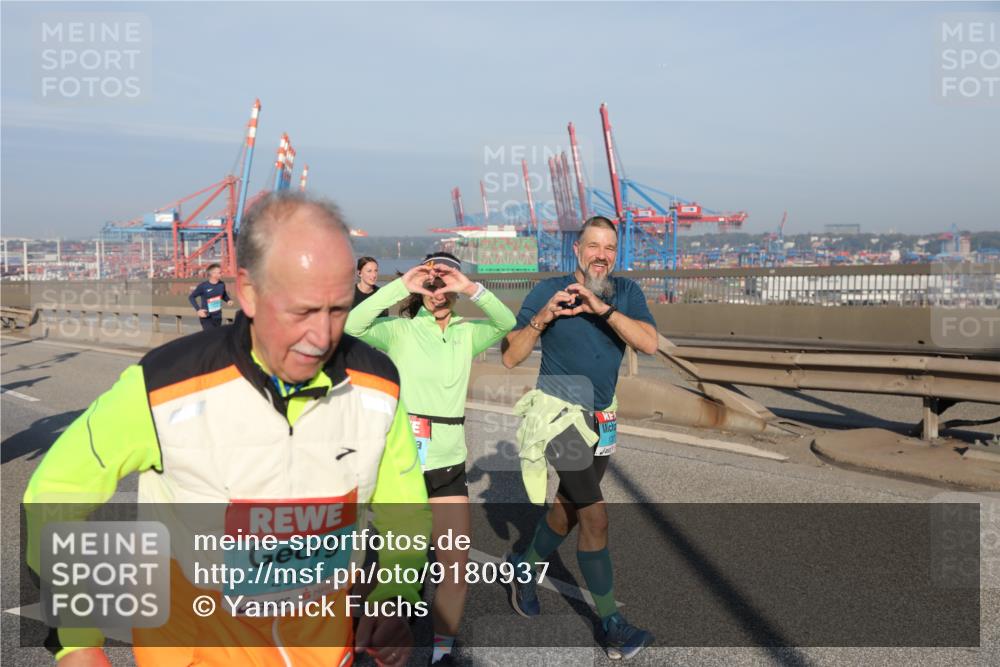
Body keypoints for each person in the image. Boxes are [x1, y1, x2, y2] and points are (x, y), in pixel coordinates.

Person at [23, 192, 430, 667]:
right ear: (248, 292)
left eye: (338, 310)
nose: (322, 337)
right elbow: (55, 495)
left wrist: (394, 596)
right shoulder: (163, 385)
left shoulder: (379, 385)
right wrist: (79, 641)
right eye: (301, 311)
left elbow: (406, 512)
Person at [499, 216, 659, 660]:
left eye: (609, 248)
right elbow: (511, 357)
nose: (601, 255)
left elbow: (649, 344)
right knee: (595, 514)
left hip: (603, 419)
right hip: (557, 417)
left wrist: (601, 307)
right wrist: (544, 317)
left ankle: (526, 569)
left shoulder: (626, 293)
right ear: (577, 250)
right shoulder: (548, 289)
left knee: (567, 509)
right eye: (593, 246)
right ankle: (611, 626)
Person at [345, 251, 516, 666]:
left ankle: (441, 654)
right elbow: (352, 325)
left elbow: (507, 323)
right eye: (430, 279)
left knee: (455, 570)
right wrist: (403, 285)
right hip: (401, 467)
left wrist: (469, 286)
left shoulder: (466, 332)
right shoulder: (400, 330)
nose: (437, 288)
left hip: (447, 466)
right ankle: (346, 643)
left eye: (445, 279)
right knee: (383, 571)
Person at [188, 263, 234, 330]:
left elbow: (224, 295)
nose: (221, 274)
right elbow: (191, 297)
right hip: (206, 316)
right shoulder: (203, 286)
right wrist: (198, 310)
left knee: (216, 336)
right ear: (213, 274)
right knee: (210, 335)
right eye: (219, 272)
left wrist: (228, 300)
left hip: (218, 316)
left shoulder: (222, 284)